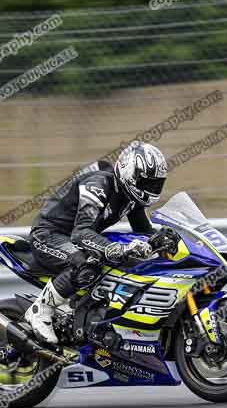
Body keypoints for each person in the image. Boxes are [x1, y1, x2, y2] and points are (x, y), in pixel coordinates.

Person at [24, 142, 168, 344]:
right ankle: (40, 309)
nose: (151, 189)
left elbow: (144, 231)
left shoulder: (131, 197)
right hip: (48, 235)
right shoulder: (99, 185)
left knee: (126, 264)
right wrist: (115, 248)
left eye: (155, 184)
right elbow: (81, 232)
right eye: (147, 183)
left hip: (74, 237)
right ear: (130, 173)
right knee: (87, 265)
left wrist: (164, 240)